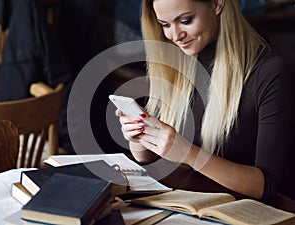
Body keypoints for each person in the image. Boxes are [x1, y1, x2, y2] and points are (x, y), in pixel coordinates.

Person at [115, 0, 295, 201]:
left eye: (185, 20)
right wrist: (140, 137)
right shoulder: (177, 65)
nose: (175, 36)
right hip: (193, 203)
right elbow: (150, 157)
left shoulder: (271, 73)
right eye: (165, 25)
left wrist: (189, 154)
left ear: (217, 4)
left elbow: (266, 186)